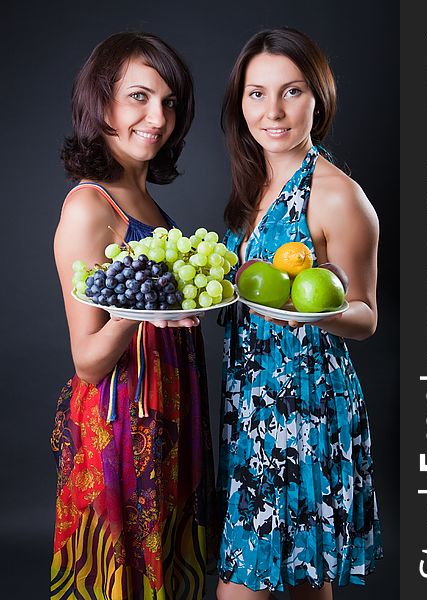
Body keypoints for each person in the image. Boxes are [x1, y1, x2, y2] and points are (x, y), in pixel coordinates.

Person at [216, 28, 383, 600]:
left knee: (274, 586)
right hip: (252, 406)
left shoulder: (338, 195)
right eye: (256, 94)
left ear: (319, 97)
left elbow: (366, 315)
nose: (274, 111)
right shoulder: (257, 180)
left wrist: (313, 317)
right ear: (241, 103)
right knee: (299, 585)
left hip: (306, 409)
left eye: (291, 92)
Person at [51, 32, 216, 600]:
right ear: (100, 103)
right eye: (139, 97)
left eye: (170, 102)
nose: (159, 116)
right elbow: (89, 362)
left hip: (169, 411)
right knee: (120, 578)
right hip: (124, 421)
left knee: (168, 573)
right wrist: (140, 311)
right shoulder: (89, 205)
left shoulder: (143, 198)